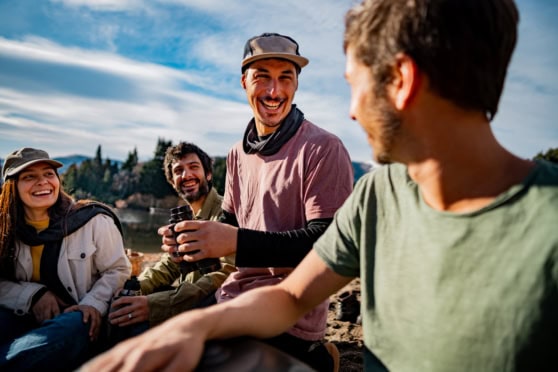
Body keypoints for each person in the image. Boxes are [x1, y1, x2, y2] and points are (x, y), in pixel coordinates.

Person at [82, 0, 558, 371]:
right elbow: (289, 295)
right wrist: (195, 321)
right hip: (242, 303)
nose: (352, 111)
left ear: (402, 82)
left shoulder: (545, 221)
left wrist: (231, 252)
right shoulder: (378, 194)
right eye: (263, 77)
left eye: (354, 83)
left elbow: (298, 275)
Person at [157, 33, 353, 371]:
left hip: (291, 312)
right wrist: (196, 242)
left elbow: (327, 246)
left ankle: (317, 357)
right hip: (232, 298)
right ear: (244, 82)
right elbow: (232, 225)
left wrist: (234, 241)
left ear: (296, 85)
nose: (274, 91)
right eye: (262, 77)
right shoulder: (236, 153)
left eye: (285, 78)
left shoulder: (323, 148)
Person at [0, 147, 131, 371]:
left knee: (67, 329)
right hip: (21, 313)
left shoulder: (93, 220)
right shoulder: (5, 230)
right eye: (30, 177)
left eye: (49, 174)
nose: (43, 182)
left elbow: (118, 270)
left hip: (77, 318)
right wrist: (32, 295)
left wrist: (92, 304)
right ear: (13, 187)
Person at [107, 141, 235, 334]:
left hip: (214, 310)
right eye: (178, 171)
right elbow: (169, 264)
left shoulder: (227, 212)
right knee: (117, 313)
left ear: (208, 174)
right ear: (172, 181)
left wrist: (154, 305)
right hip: (186, 301)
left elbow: (225, 275)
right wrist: (136, 287)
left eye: (193, 167)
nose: (186, 175)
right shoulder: (185, 217)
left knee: (131, 329)